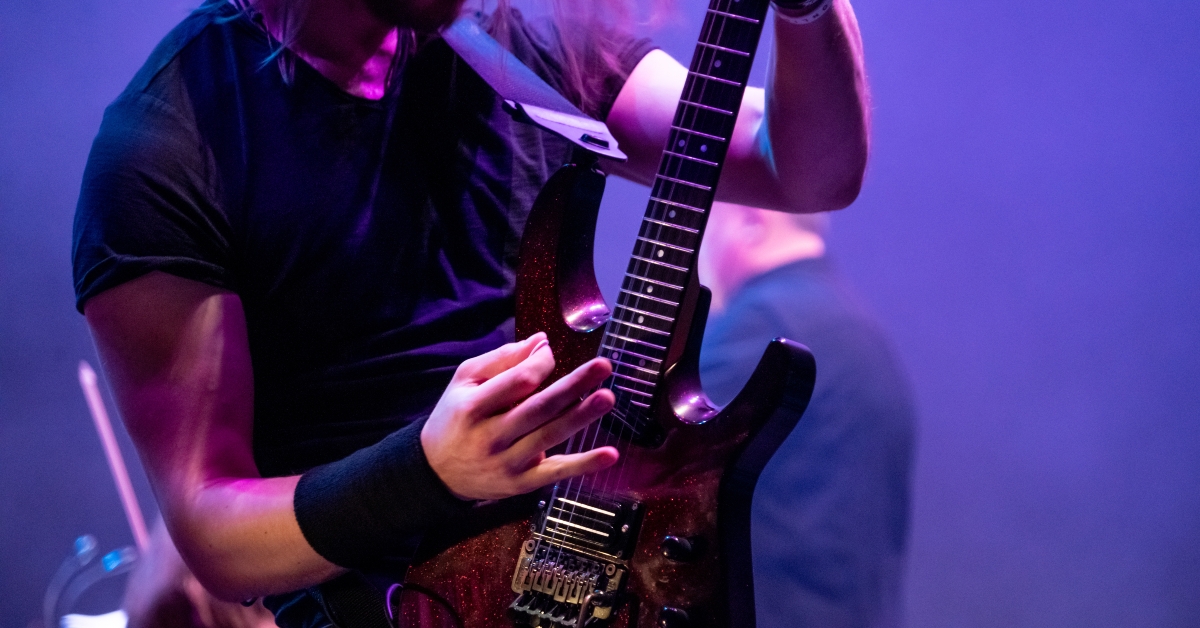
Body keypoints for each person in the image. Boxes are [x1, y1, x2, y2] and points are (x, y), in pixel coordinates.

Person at [71, 0, 870, 622]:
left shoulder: (509, 50)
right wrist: (428, 472)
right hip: (382, 607)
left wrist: (806, 10)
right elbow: (213, 532)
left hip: (591, 584)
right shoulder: (163, 146)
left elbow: (806, 170)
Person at [697, 201, 916, 628]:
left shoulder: (766, 322)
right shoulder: (854, 327)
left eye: (706, 231)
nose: (700, 260)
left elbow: (640, 449)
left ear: (749, 223)